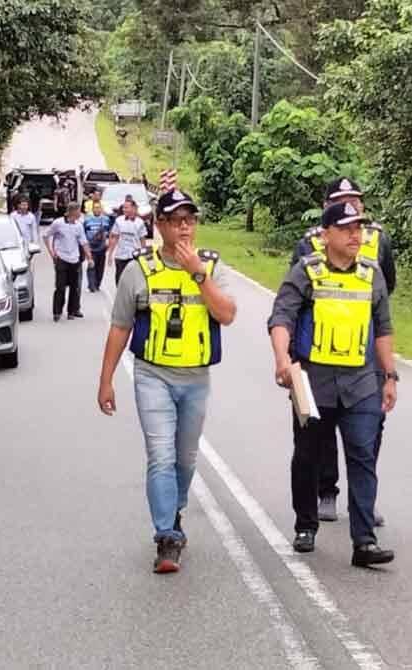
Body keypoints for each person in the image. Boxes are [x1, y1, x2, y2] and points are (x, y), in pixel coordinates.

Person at [98, 189, 236, 573]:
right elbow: (120, 327)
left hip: (195, 379)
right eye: (176, 220)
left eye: (190, 220)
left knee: (186, 459)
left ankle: (174, 512)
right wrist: (106, 380)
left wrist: (198, 276)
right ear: (159, 226)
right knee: (161, 455)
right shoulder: (138, 270)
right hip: (153, 375)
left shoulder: (211, 266)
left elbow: (226, 314)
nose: (185, 227)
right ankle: (166, 537)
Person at [268, 201, 398, 568]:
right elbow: (281, 317)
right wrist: (282, 358)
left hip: (360, 383)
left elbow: (383, 329)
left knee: (363, 456)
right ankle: (306, 524)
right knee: (307, 456)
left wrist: (389, 375)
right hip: (312, 381)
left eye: (358, 228)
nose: (355, 235)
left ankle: (364, 541)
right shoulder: (306, 272)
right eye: (346, 229)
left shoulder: (372, 275)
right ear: (326, 236)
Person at [290, 177, 396, 525]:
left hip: (364, 354)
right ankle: (326, 491)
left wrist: (388, 367)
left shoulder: (378, 240)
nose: (354, 206)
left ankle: (363, 508)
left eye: (357, 200)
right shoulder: (308, 246)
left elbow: (385, 291)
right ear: (327, 209)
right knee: (317, 436)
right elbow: (294, 299)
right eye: (343, 200)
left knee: (366, 433)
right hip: (320, 357)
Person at [44, 203, 92, 321]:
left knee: (74, 287)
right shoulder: (58, 223)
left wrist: (89, 258)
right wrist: (51, 252)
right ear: (72, 212)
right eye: (78, 211)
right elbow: (46, 236)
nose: (80, 213)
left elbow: (84, 242)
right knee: (60, 286)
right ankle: (57, 312)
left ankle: (71, 311)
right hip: (61, 258)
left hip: (74, 259)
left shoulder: (79, 226)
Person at [107, 198, 149, 284]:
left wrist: (144, 256)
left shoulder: (140, 222)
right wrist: (110, 254)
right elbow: (115, 237)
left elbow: (143, 241)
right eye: (123, 208)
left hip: (134, 257)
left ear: (133, 208)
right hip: (121, 256)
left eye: (126, 207)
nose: (124, 209)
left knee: (132, 281)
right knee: (119, 281)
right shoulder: (119, 220)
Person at [83, 202, 112, 292]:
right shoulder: (87, 220)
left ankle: (97, 284)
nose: (97, 209)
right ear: (92, 209)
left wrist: (108, 243)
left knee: (100, 268)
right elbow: (83, 233)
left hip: (102, 248)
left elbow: (110, 233)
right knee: (92, 266)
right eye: (95, 208)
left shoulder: (106, 220)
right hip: (91, 247)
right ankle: (91, 286)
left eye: (98, 207)